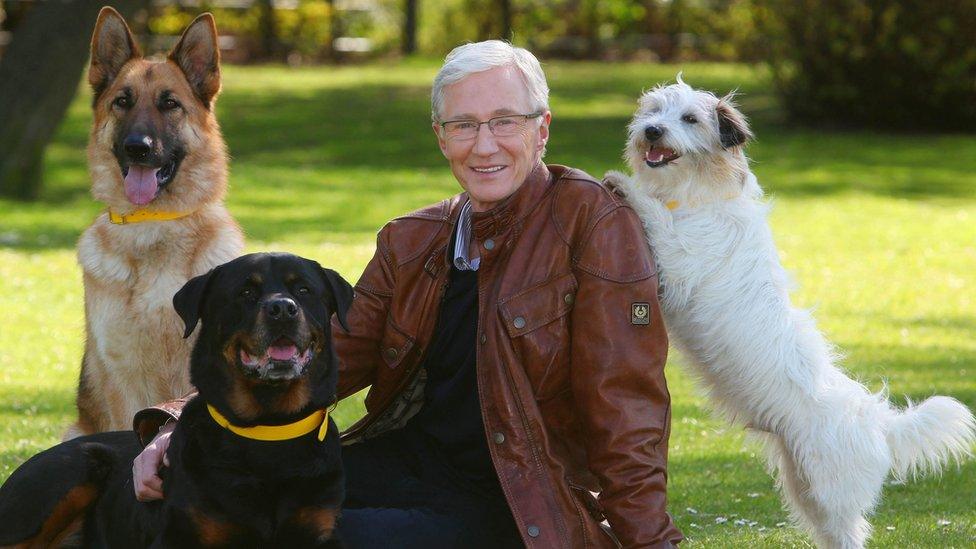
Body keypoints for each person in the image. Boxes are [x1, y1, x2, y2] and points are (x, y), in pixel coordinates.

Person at [132, 40, 683, 548]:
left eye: (504, 122)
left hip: (518, 496)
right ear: (441, 136)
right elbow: (329, 351)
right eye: (463, 125)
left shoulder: (591, 221)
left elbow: (626, 407)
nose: (484, 144)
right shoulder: (414, 239)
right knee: (225, 507)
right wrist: (178, 424)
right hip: (406, 461)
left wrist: (648, 541)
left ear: (542, 130)